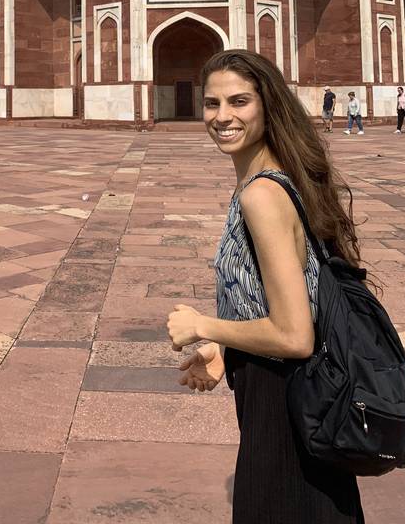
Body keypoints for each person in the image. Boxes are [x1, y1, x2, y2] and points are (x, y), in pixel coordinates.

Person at [166, 49, 364, 523]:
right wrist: (223, 349)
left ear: (267, 104)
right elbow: (282, 301)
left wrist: (201, 325)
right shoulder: (270, 179)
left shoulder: (262, 195)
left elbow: (295, 336)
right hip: (292, 396)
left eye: (239, 101)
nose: (222, 117)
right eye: (212, 104)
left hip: (285, 406)